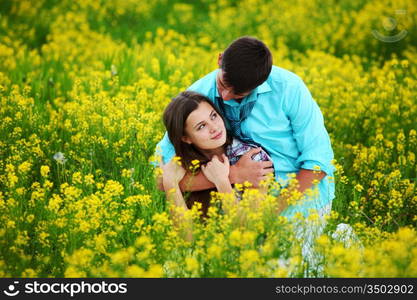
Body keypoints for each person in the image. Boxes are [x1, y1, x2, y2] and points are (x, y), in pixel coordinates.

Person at [154, 36, 335, 219]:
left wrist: (270, 214)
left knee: (283, 246)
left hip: (300, 197)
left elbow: (318, 163)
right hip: (236, 199)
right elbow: (160, 176)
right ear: (219, 59)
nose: (224, 97)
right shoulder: (197, 99)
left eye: (238, 95)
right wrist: (233, 175)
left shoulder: (289, 88)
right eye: (223, 85)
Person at [159, 91, 276, 222]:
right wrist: (170, 184)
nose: (214, 127)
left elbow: (248, 230)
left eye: (213, 116)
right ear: (186, 138)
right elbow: (186, 239)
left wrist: (222, 182)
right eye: (201, 126)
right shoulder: (178, 167)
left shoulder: (253, 159)